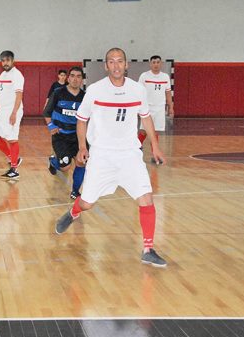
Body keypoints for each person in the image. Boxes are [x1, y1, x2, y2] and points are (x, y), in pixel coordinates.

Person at [54, 47, 168, 268]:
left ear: (127, 65)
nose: (116, 65)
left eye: (120, 61)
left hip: (130, 155)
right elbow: (81, 119)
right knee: (87, 202)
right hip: (102, 155)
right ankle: (73, 212)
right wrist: (81, 147)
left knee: (146, 198)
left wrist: (155, 146)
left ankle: (148, 249)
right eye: (111, 62)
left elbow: (146, 119)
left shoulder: (138, 90)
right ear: (106, 66)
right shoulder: (96, 90)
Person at [43, 66, 87, 200]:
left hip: (77, 136)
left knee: (81, 162)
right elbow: (46, 112)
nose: (75, 79)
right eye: (72, 76)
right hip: (60, 136)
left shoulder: (85, 97)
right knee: (65, 167)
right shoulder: (58, 93)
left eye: (78, 76)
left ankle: (75, 191)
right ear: (68, 78)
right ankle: (53, 161)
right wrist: (51, 125)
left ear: (82, 80)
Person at [0, 50, 24, 180]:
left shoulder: (17, 75)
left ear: (12, 60)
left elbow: (19, 95)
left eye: (7, 60)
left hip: (12, 109)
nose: (5, 63)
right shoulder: (2, 75)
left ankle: (14, 169)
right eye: (3, 61)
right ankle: (14, 157)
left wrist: (14, 113)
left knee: (12, 139)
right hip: (2, 110)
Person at [137, 55, 174, 159]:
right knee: (143, 130)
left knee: (155, 131)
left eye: (158, 62)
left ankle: (155, 153)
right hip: (147, 108)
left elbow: (168, 93)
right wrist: (138, 106)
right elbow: (138, 92)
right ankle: (136, 147)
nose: (156, 64)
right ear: (150, 64)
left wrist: (171, 107)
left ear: (161, 63)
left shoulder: (165, 77)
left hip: (160, 108)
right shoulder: (144, 76)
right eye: (154, 62)